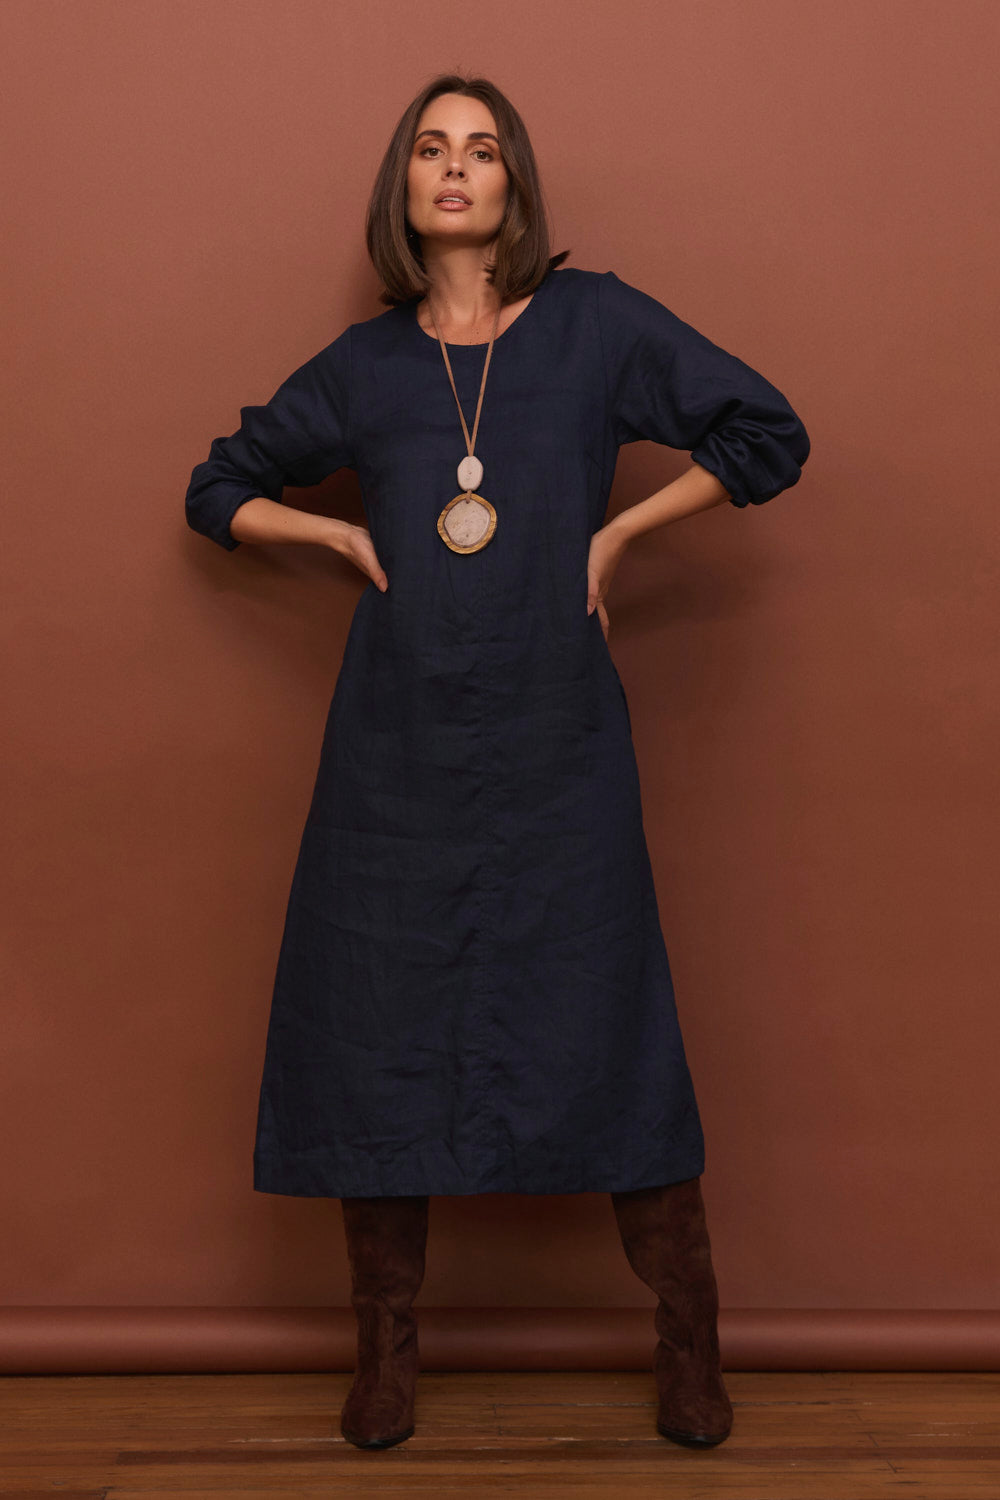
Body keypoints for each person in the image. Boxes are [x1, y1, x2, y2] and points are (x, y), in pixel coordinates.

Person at [184, 73, 810, 1453]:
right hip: (394, 761)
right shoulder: (365, 369)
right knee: (378, 1036)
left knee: (608, 1021)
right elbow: (216, 486)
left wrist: (619, 534)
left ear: (515, 182)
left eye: (482, 149)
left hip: (557, 742)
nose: (456, 168)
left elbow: (766, 432)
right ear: (403, 187)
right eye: (431, 149)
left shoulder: (596, 326)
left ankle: (688, 1344)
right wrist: (332, 534)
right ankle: (386, 1355)